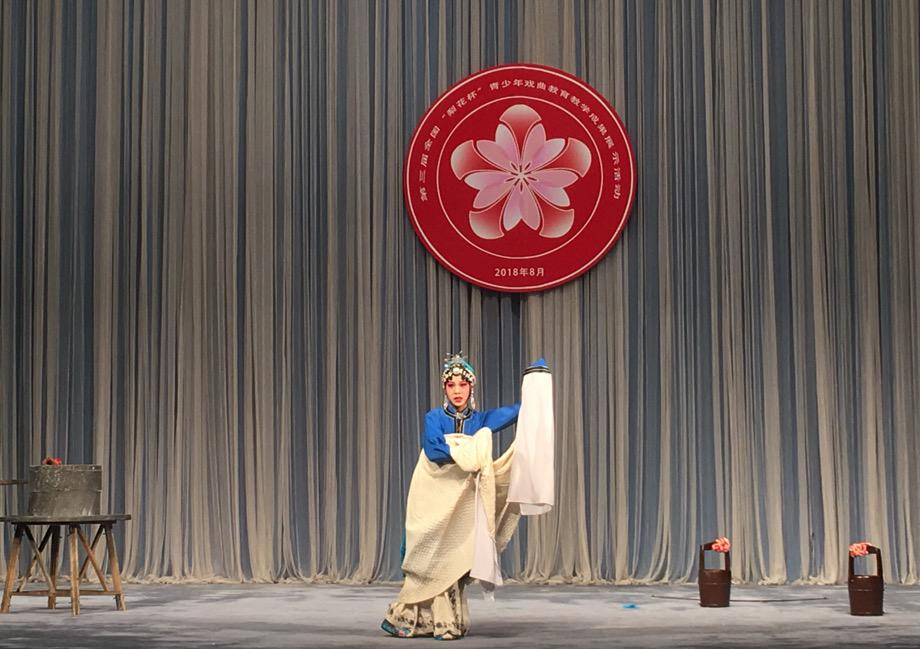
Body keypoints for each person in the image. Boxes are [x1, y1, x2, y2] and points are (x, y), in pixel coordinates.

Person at [381, 353, 528, 640]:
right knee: (429, 556)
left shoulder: (480, 420)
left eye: (463, 384)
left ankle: (446, 621)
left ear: (471, 387)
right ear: (444, 389)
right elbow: (434, 450)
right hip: (433, 496)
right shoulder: (434, 418)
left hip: (460, 504)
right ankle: (412, 617)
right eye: (452, 385)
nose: (457, 391)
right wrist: (469, 453)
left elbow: (516, 412)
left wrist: (537, 385)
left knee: (454, 556)